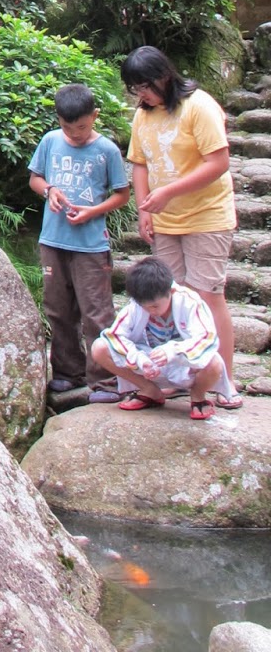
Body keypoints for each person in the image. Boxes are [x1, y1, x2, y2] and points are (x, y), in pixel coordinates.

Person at [120, 45, 241, 410]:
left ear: (164, 77)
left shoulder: (199, 106)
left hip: (207, 215)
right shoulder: (144, 115)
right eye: (134, 89)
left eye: (144, 87)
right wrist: (145, 208)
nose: (140, 95)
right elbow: (139, 163)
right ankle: (180, 377)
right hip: (166, 221)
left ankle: (224, 381)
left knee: (207, 295)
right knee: (170, 300)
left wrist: (168, 192)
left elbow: (218, 162)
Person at [28, 82, 131, 401]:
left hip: (90, 245)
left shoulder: (107, 150)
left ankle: (105, 379)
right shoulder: (50, 141)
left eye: (82, 127)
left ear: (95, 116)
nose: (74, 133)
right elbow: (35, 178)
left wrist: (92, 212)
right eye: (67, 127)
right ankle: (67, 373)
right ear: (58, 119)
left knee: (96, 312)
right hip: (53, 240)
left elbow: (122, 195)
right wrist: (50, 191)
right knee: (58, 309)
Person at [91, 255, 224, 420]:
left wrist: (173, 351)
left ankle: (197, 395)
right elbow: (114, 336)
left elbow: (207, 338)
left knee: (214, 362)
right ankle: (149, 390)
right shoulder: (136, 305)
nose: (151, 311)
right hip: (150, 363)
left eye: (155, 306)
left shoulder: (190, 302)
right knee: (100, 347)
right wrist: (139, 359)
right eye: (145, 307)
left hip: (185, 363)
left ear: (171, 291)